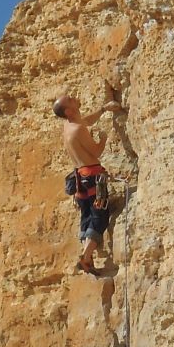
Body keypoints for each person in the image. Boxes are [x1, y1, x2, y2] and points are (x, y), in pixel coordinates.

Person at [53, 94, 121, 275]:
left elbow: (86, 121)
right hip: (92, 176)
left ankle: (87, 258)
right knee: (100, 216)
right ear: (68, 110)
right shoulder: (77, 130)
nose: (75, 97)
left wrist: (104, 109)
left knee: (86, 216)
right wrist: (104, 138)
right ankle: (85, 257)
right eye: (70, 99)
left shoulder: (69, 126)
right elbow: (96, 152)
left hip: (79, 179)